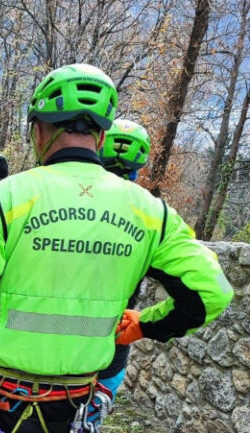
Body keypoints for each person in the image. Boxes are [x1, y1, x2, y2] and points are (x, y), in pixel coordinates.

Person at [0, 64, 233, 432]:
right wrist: (146, 324)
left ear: (38, 131)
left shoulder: (5, 198)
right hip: (77, 406)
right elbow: (212, 292)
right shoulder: (152, 213)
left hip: (0, 403)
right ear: (101, 137)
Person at [95, 119, 151, 401]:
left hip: (53, 339)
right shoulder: (152, 216)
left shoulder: (70, 201)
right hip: (114, 335)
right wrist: (149, 323)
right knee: (94, 409)